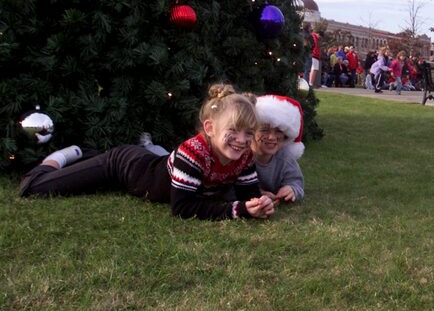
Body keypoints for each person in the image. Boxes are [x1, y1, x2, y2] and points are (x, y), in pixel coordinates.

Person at [19, 84, 274, 220]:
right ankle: (65, 155)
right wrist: (239, 211)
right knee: (35, 188)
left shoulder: (244, 157)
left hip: (150, 163)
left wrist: (259, 204)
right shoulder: (193, 153)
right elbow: (183, 208)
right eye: (233, 131)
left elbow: (248, 194)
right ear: (210, 128)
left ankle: (86, 154)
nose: (242, 141)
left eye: (249, 133)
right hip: (122, 166)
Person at [252, 95, 305, 203]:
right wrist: (255, 192)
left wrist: (291, 189)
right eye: (264, 130)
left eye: (279, 131)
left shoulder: (285, 160)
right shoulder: (242, 158)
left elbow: (297, 183)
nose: (272, 137)